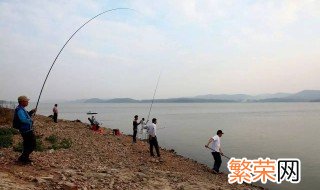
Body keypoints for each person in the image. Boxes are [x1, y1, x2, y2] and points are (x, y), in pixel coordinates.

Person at [13, 96, 37, 164]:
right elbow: (23, 119)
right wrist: (31, 121)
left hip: (26, 129)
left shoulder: (21, 109)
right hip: (26, 130)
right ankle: (22, 158)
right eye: (26, 101)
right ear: (22, 101)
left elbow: (26, 116)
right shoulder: (20, 110)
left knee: (27, 144)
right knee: (32, 144)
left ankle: (25, 158)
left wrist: (32, 112)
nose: (27, 102)